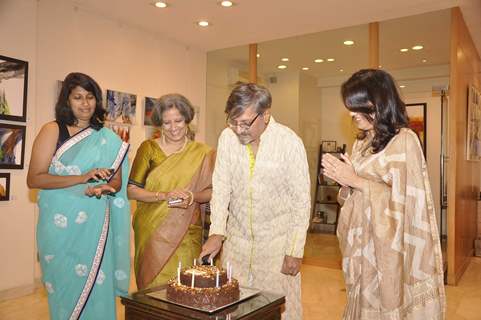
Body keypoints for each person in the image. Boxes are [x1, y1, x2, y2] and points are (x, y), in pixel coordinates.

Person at [321, 69, 445, 319]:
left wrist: (355, 179)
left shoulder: (404, 141)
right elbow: (353, 197)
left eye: (357, 107)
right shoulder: (362, 142)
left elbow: (408, 206)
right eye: (350, 107)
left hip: (390, 251)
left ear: (379, 101)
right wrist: (345, 184)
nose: (351, 114)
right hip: (363, 248)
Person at [200, 83, 311, 320]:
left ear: (266, 115)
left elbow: (300, 200)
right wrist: (216, 232)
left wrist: (294, 249)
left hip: (276, 247)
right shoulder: (227, 138)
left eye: (245, 123)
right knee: (233, 308)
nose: (239, 129)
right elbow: (221, 188)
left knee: (276, 309)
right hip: (236, 245)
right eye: (233, 121)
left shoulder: (289, 142)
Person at [27, 72, 131, 320]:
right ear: (67, 100)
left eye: (90, 97)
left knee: (97, 289)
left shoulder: (107, 137)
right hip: (58, 229)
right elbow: (35, 178)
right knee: (63, 292)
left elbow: (115, 179)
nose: (85, 103)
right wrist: (83, 177)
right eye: (78, 97)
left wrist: (108, 188)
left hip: (95, 228)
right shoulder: (52, 130)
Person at [128, 93, 214, 290]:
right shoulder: (148, 149)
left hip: (186, 232)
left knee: (185, 289)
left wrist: (193, 196)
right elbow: (132, 190)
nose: (173, 127)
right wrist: (164, 195)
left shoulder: (203, 153)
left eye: (178, 120)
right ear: (159, 124)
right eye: (167, 123)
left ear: (187, 120)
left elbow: (212, 192)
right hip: (151, 232)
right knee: (153, 291)